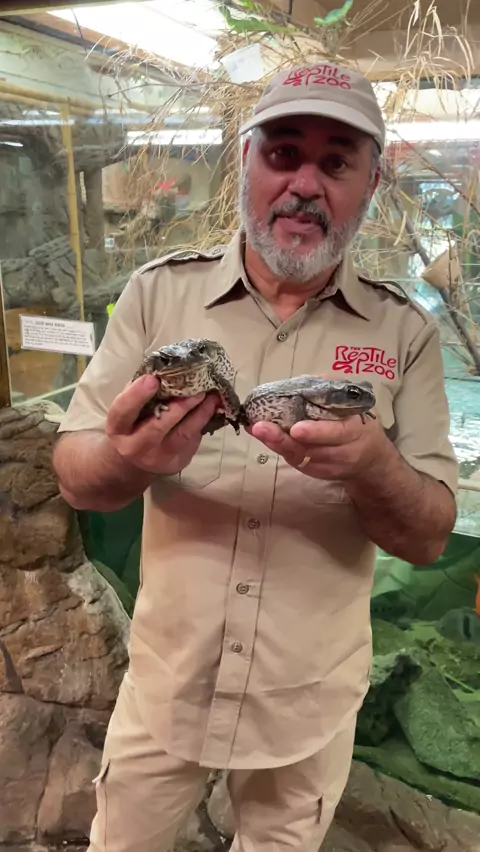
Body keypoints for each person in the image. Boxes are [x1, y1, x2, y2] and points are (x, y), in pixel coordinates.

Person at [53, 62, 458, 852]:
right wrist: (132, 459)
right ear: (245, 161)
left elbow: (430, 537)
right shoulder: (157, 294)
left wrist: (373, 466)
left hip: (307, 702)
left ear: (372, 183)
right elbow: (76, 477)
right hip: (169, 683)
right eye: (282, 154)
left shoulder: (406, 333)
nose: (305, 184)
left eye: (336, 163)